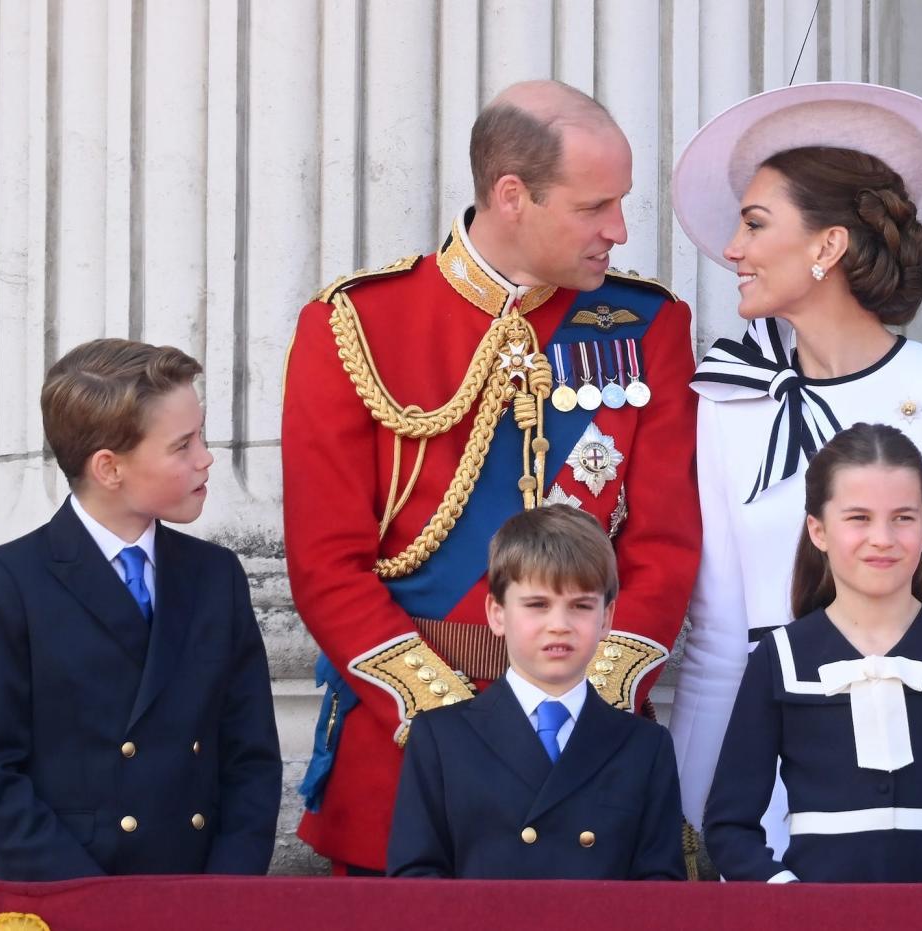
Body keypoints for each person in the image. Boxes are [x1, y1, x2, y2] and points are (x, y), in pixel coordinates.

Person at [282, 79, 700, 874]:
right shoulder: (356, 324)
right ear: (513, 196)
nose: (619, 229)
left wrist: (587, 703)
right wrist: (457, 728)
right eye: (594, 206)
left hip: (590, 753)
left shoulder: (649, 326)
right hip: (410, 759)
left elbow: (665, 546)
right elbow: (325, 566)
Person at [667, 82, 922, 858]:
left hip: (913, 779)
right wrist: (695, 802)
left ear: (827, 247)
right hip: (762, 778)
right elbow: (720, 634)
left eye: (755, 224)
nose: (733, 248)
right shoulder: (728, 400)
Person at [0, 339, 282, 881]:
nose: (206, 457)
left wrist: (226, 894)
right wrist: (91, 905)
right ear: (109, 468)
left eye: (201, 435)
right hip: (67, 897)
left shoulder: (215, 576)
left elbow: (251, 758)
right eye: (182, 445)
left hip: (197, 898)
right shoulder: (9, 581)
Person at [704, 423, 922, 882]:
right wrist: (789, 900)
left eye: (903, 517)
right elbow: (728, 827)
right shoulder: (778, 657)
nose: (883, 538)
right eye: (859, 518)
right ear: (818, 530)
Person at [386, 505, 685, 879]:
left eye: (580, 606)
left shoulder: (644, 747)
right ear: (497, 613)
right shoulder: (442, 739)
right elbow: (416, 885)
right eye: (537, 605)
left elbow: (659, 894)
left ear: (607, 618)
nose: (558, 625)